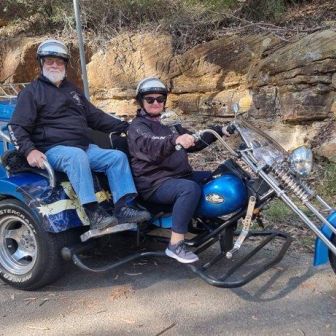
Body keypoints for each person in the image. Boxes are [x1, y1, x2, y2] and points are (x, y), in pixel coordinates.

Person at [8, 38, 150, 231]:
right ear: (41, 63)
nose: (55, 65)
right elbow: (16, 126)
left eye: (60, 61)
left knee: (116, 157)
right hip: (53, 149)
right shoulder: (31, 92)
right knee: (76, 156)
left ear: (65, 64)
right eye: (50, 61)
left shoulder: (72, 90)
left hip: (83, 147)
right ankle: (94, 213)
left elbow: (96, 117)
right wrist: (29, 151)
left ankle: (123, 208)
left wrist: (127, 127)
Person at [127, 77, 230, 263]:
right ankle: (175, 245)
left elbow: (193, 140)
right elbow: (152, 145)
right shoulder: (137, 127)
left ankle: (212, 223)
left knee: (220, 176)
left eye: (160, 99)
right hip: (154, 184)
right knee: (189, 189)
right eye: (150, 99)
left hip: (177, 176)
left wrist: (220, 130)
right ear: (141, 101)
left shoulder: (169, 123)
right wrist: (175, 140)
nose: (156, 103)